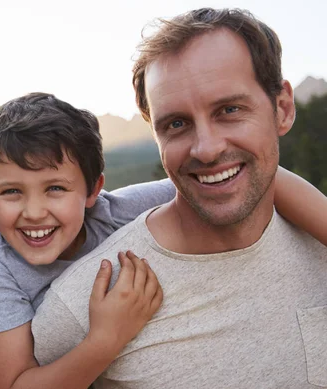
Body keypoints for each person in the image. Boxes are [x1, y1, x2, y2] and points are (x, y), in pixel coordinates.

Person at [31, 8, 327, 388]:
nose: (206, 149)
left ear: (282, 109)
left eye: (230, 110)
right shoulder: (86, 303)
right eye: (176, 124)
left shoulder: (317, 242)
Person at [0, 92, 178, 389]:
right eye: (11, 191)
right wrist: (106, 339)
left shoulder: (112, 212)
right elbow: (15, 383)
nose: (34, 213)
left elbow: (190, 188)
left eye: (54, 188)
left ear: (93, 190)